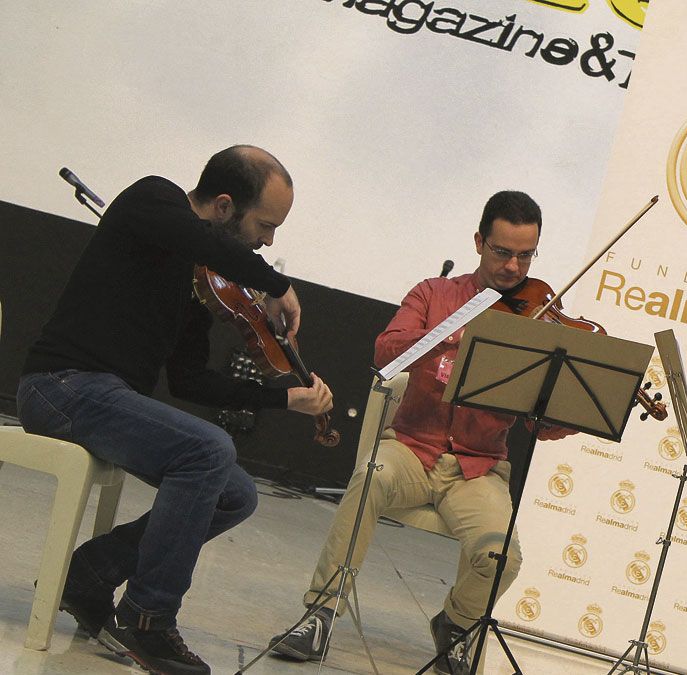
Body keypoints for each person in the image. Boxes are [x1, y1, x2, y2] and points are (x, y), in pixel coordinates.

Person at [16, 146, 333, 675]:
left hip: (107, 400)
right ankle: (148, 617)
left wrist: (283, 398)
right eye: (265, 224)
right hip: (60, 387)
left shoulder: (192, 277)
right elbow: (198, 238)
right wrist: (275, 284)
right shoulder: (152, 199)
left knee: (237, 494)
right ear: (226, 206)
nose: (269, 241)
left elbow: (189, 381)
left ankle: (93, 572)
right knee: (209, 448)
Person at [269, 190, 572, 674]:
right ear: (478, 242)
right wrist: (454, 332)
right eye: (502, 252)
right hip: (412, 448)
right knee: (370, 476)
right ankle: (320, 613)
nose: (515, 268)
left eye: (526, 255)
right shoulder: (434, 293)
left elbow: (542, 425)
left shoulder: (536, 317)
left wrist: (564, 412)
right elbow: (386, 351)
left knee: (501, 556)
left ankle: (455, 623)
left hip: (479, 468)